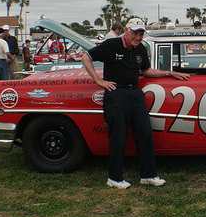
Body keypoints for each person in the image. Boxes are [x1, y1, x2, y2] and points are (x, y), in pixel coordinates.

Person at [81, 18, 190, 189]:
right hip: (116, 94)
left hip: (135, 93)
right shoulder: (111, 45)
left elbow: (146, 70)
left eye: (141, 34)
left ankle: (148, 175)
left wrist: (169, 73)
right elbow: (86, 57)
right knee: (118, 136)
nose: (138, 37)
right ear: (126, 30)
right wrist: (98, 80)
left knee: (145, 133)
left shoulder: (140, 48)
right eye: (135, 33)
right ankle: (114, 178)